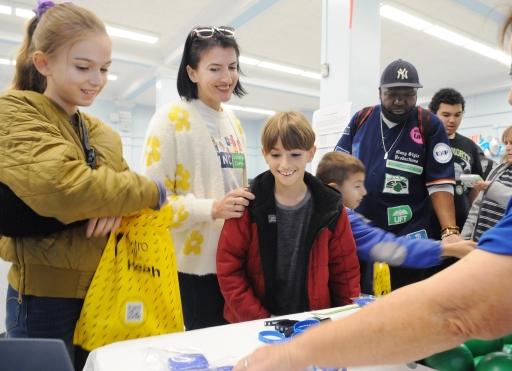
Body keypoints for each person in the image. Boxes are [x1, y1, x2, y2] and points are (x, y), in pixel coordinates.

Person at [233, 1, 512, 369]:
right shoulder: (268, 198)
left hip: (386, 261)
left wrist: (447, 243)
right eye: (276, 157)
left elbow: (446, 301)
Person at [0, 2, 165, 369]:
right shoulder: (15, 111)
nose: (97, 79)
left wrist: (113, 200)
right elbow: (65, 189)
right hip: (43, 298)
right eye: (83, 67)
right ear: (43, 63)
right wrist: (151, 191)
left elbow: (111, 191)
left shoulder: (100, 132)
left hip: (104, 288)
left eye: (104, 69)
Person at [142, 26, 254, 330]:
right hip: (188, 271)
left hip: (232, 264)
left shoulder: (233, 122)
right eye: (214, 68)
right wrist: (212, 208)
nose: (226, 78)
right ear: (192, 73)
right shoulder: (169, 120)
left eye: (232, 67)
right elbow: (153, 204)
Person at [216, 112, 360, 322]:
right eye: (276, 155)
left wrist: (344, 321)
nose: (285, 164)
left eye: (295, 154)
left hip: (312, 323)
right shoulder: (246, 204)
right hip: (254, 325)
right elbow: (229, 270)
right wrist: (260, 319)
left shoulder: (330, 206)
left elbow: (345, 272)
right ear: (265, 154)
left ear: (311, 153)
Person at [335, 58, 459, 291]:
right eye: (392, 93)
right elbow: (337, 167)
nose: (400, 100)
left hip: (410, 231)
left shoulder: (428, 124)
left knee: (409, 295)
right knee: (365, 295)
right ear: (379, 92)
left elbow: (440, 183)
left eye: (408, 93)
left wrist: (450, 231)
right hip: (364, 229)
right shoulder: (362, 118)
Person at [315, 151, 475, 270]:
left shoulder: (321, 212)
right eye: (357, 186)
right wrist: (448, 249)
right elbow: (390, 248)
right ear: (334, 189)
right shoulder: (343, 220)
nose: (364, 192)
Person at [429, 88, 484, 230]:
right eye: (446, 115)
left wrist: (474, 219)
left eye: (458, 115)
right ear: (433, 113)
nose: (452, 120)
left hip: (463, 223)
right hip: (429, 223)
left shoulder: (470, 146)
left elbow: (475, 188)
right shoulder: (424, 143)